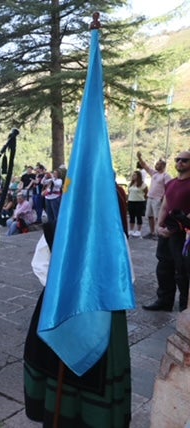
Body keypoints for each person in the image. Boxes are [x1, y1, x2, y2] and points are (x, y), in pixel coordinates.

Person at [23, 222, 132, 427]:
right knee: (58, 371)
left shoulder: (113, 232)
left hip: (97, 315)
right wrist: (72, 292)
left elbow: (126, 279)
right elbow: (41, 264)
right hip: (64, 309)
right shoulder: (59, 226)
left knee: (91, 374)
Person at [143, 150, 190, 312]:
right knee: (163, 267)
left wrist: (176, 229)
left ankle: (185, 307)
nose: (180, 163)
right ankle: (164, 301)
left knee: (182, 271)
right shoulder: (171, 183)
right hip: (167, 229)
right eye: (178, 159)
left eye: (184, 160)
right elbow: (165, 204)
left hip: (183, 231)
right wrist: (158, 225)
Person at [137, 152, 172, 239]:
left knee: (158, 217)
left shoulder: (166, 175)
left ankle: (157, 233)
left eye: (158, 164)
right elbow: (145, 166)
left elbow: (169, 188)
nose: (156, 165)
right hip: (150, 198)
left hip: (158, 199)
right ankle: (152, 232)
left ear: (163, 166)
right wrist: (139, 157)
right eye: (156, 164)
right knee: (149, 215)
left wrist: (163, 198)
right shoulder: (154, 173)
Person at [127, 170, 148, 238]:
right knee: (131, 216)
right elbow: (129, 192)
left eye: (135, 175)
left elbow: (146, 193)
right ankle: (131, 230)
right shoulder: (131, 184)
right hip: (131, 201)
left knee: (138, 216)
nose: (133, 176)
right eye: (133, 175)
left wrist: (143, 199)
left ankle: (138, 231)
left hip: (139, 202)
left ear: (138, 176)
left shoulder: (143, 185)